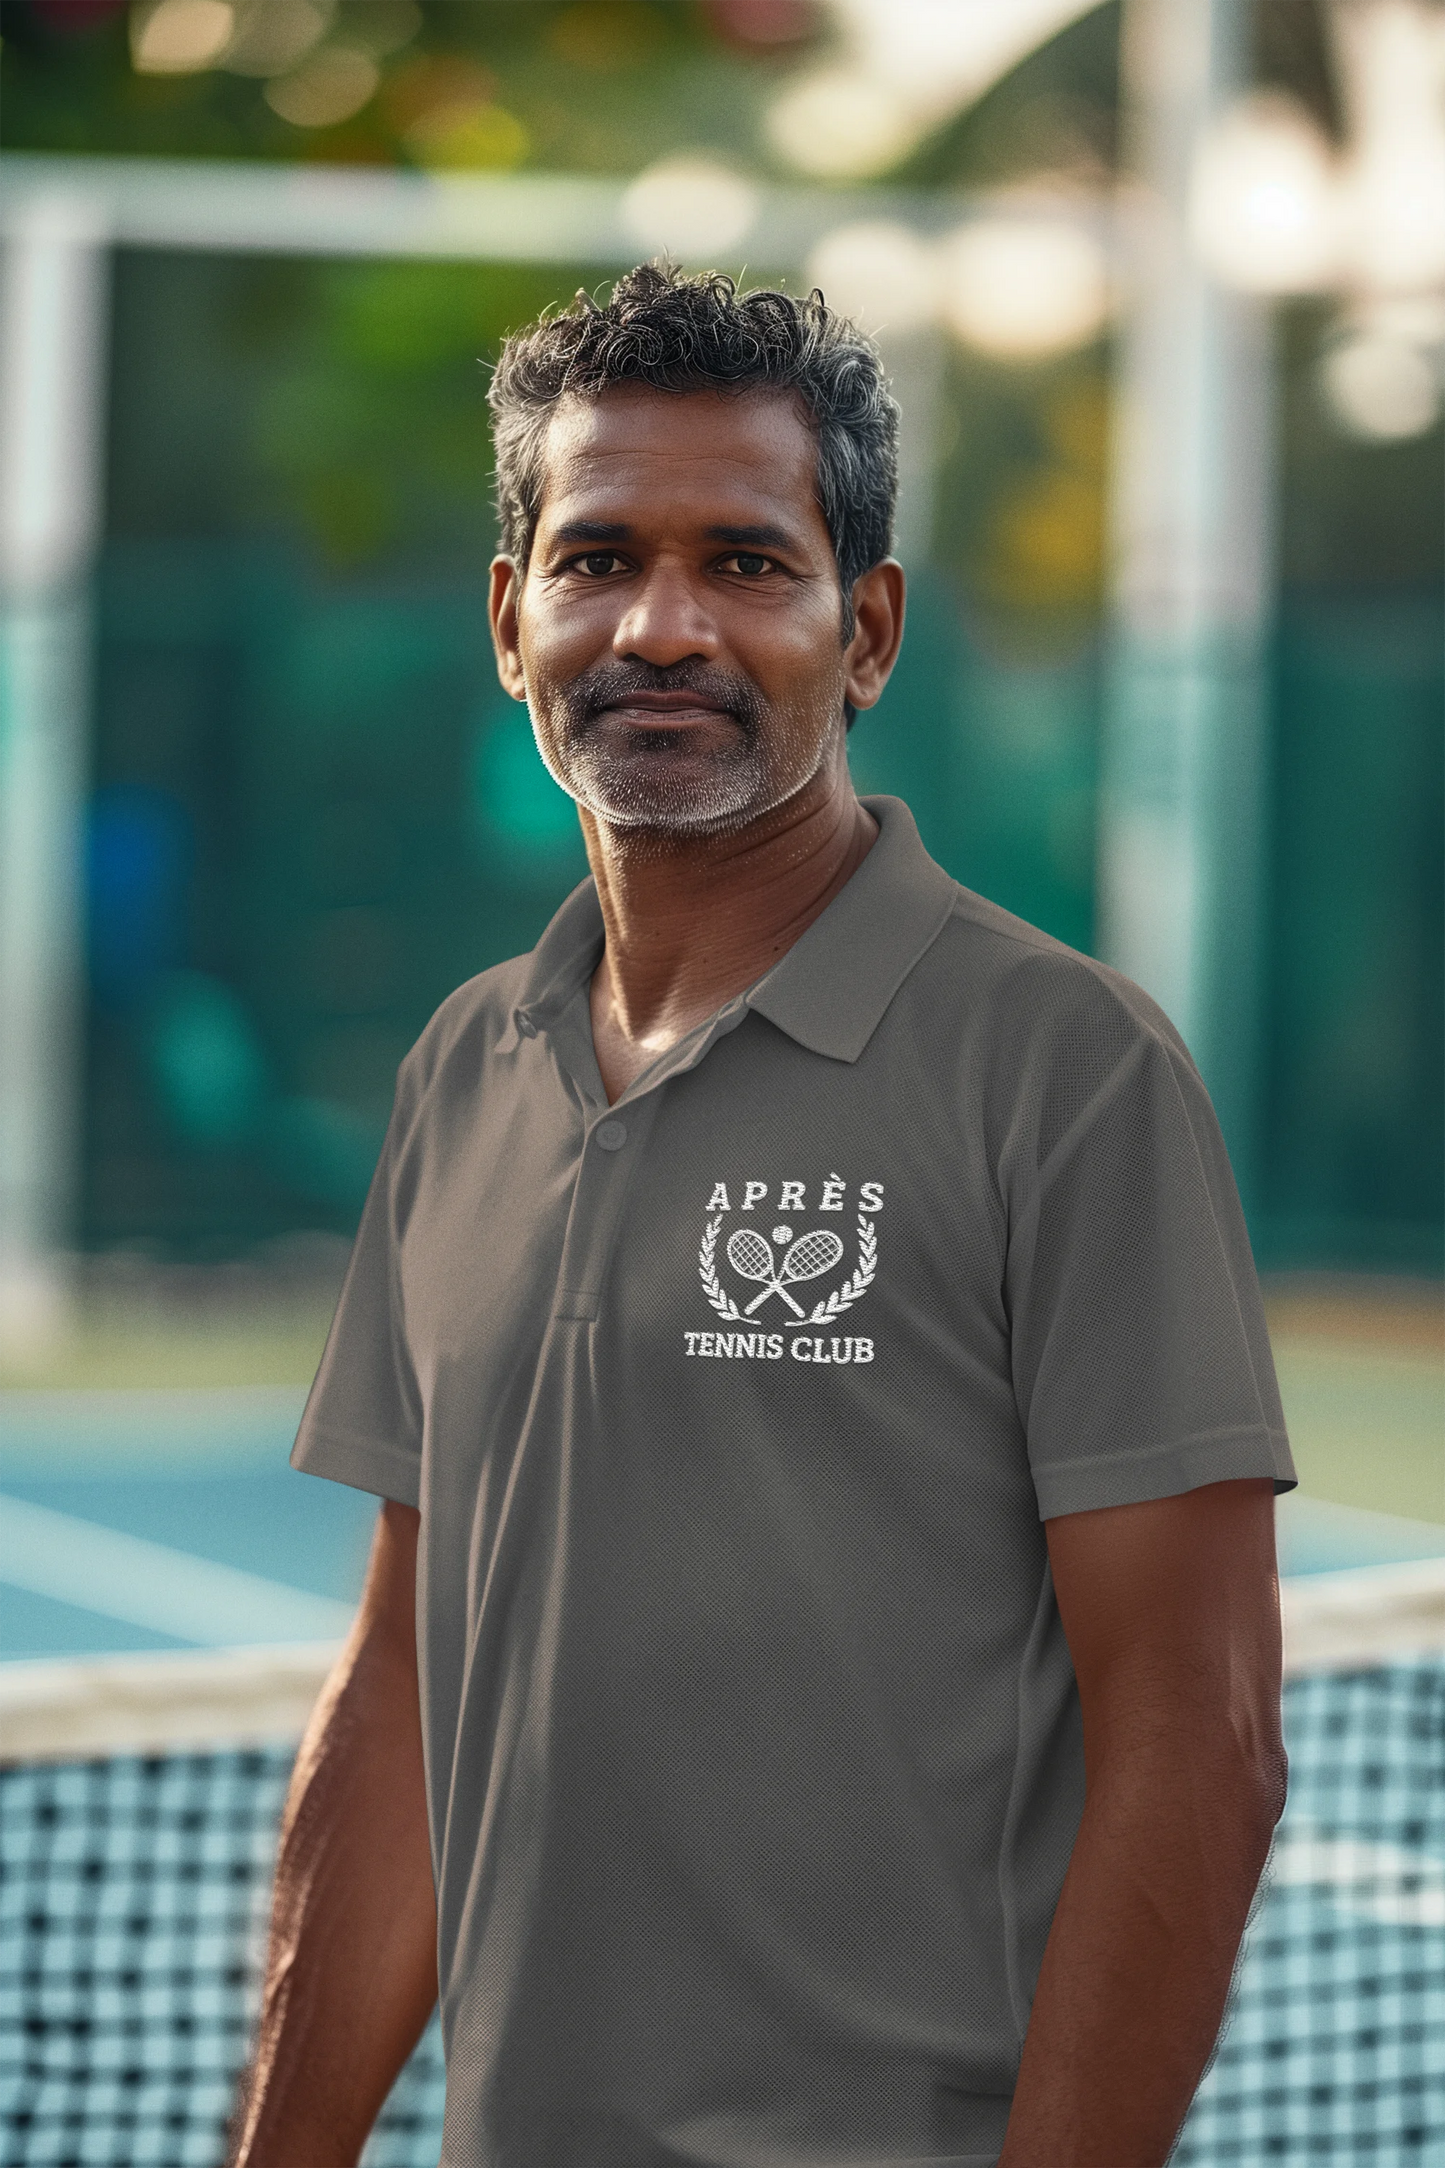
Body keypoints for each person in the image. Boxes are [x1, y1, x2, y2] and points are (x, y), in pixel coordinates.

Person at [232, 264, 1294, 2168]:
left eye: (744, 562)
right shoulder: (463, 1069)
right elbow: (400, 1694)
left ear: (864, 629)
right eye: (598, 559)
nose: (659, 626)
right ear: (509, 617)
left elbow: (1197, 1744)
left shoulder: (1069, 1071)